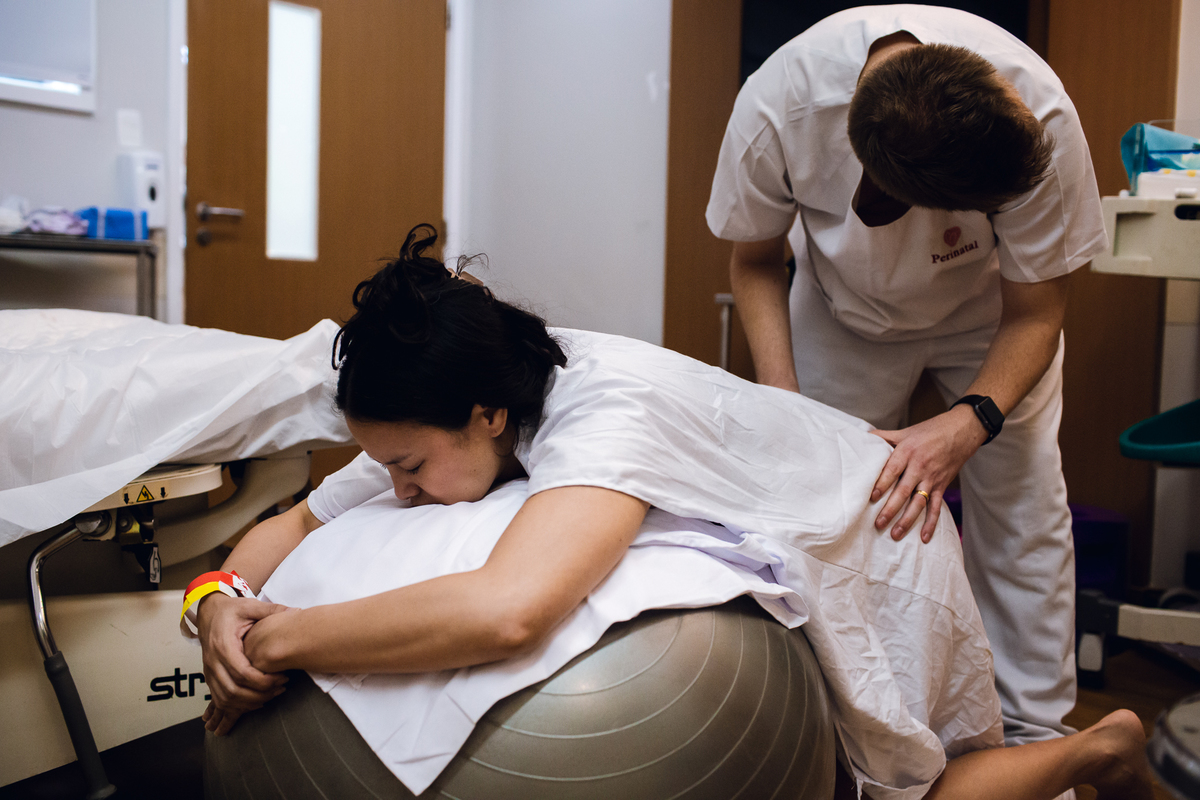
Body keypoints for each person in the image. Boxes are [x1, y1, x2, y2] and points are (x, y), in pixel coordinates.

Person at [194, 226, 1149, 799]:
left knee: (908, 794)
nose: (397, 490)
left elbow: (510, 610)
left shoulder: (609, 416)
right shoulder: (458, 393)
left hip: (873, 532)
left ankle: (1100, 748)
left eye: (407, 467)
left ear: (486, 416)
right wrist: (217, 600)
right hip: (820, 496)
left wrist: (278, 641)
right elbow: (293, 527)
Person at [706, 5, 1105, 756]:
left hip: (993, 315)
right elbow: (755, 261)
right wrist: (783, 399)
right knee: (827, 510)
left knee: (1024, 507)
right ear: (881, 198)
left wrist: (975, 417)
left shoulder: (1034, 110)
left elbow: (1038, 308)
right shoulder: (777, 109)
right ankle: (848, 723)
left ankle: (1036, 738)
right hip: (841, 312)